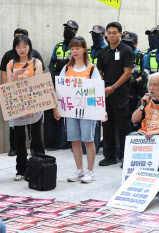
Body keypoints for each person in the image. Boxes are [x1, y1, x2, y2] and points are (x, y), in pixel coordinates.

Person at [53, 36, 102, 183]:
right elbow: (59, 89)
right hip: (70, 110)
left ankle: (90, 171)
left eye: (77, 48)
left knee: (88, 140)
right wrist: (56, 108)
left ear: (84, 49)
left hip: (87, 111)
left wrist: (101, 110)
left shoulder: (92, 68)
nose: (74, 51)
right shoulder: (66, 68)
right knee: (75, 140)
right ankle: (79, 169)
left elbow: (97, 91)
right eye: (72, 48)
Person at [0, 28, 45, 157]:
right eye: (18, 47)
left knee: (36, 138)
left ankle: (40, 167)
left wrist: (33, 106)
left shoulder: (36, 63)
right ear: (15, 48)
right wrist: (15, 75)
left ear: (29, 47)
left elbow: (39, 85)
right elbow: (9, 87)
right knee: (20, 140)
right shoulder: (11, 63)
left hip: (34, 106)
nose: (22, 49)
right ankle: (21, 169)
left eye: (25, 46)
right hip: (17, 106)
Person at [97, 22, 135, 166]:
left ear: (120, 33)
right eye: (109, 33)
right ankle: (110, 156)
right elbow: (99, 72)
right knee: (107, 126)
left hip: (121, 93)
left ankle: (126, 157)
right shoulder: (102, 52)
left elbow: (127, 72)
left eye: (114, 32)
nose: (111, 35)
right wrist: (102, 87)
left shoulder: (127, 50)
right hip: (105, 94)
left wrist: (113, 87)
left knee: (123, 127)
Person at [46, 20, 78, 149]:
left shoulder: (77, 47)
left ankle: (71, 140)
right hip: (57, 82)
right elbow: (52, 62)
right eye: (66, 28)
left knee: (70, 112)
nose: (67, 31)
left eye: (70, 29)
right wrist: (53, 72)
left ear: (75, 32)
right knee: (57, 111)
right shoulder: (58, 46)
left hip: (71, 84)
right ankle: (58, 142)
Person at [131, 72, 159, 140]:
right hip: (144, 133)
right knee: (131, 138)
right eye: (149, 85)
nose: (151, 88)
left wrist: (156, 132)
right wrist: (142, 106)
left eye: (155, 85)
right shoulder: (145, 100)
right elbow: (134, 120)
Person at [121, 31, 147, 120]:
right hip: (123, 91)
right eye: (124, 43)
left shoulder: (142, 56)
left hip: (137, 91)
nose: (126, 45)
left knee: (135, 118)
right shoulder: (120, 55)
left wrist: (135, 80)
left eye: (129, 43)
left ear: (135, 44)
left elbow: (145, 73)